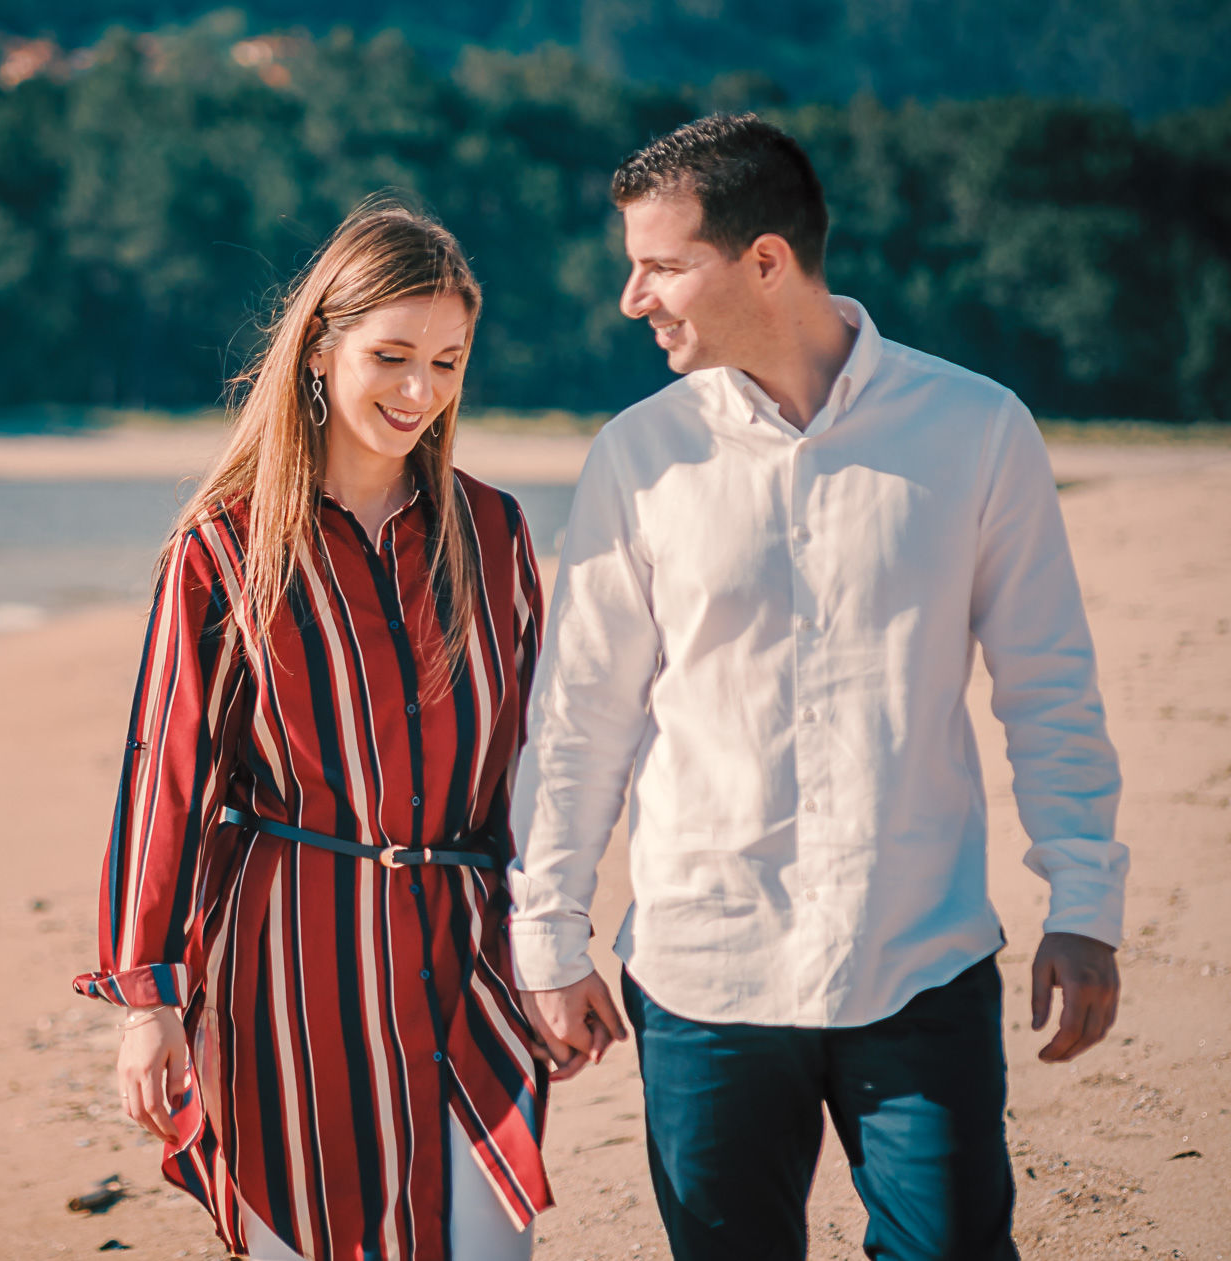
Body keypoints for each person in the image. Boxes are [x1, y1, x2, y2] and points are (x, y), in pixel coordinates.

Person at [509, 114, 1127, 1260]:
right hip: (701, 976)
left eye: (658, 266)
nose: (631, 298)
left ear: (761, 260)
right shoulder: (637, 457)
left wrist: (1082, 903)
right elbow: (578, 716)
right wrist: (545, 936)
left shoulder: (975, 428)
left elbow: (1045, 681)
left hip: (918, 958)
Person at [73, 202, 558, 1261]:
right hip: (290, 969)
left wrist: (552, 938)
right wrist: (146, 999)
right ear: (318, 350)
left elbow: (536, 763)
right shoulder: (224, 546)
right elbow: (167, 778)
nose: (418, 390)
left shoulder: (491, 530)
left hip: (465, 958)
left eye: (445, 359)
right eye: (389, 355)